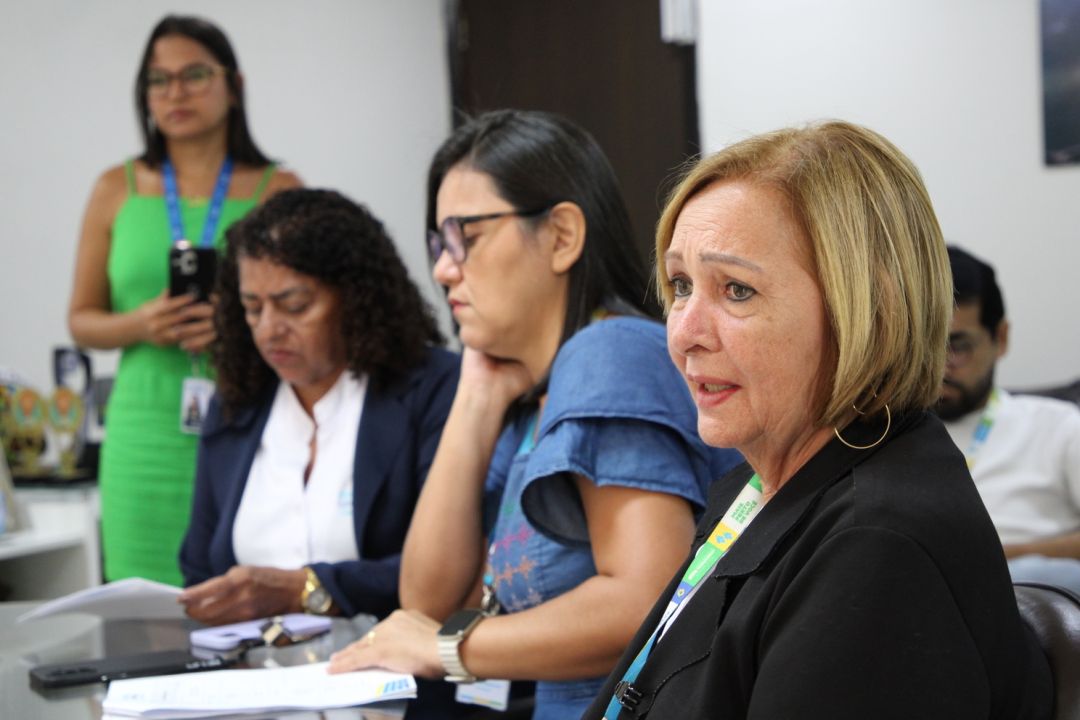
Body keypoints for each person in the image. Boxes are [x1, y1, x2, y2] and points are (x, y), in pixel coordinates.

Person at [583, 121, 1053, 719]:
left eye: (736, 291)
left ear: (867, 312)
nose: (684, 332)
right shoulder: (762, 487)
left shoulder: (876, 547)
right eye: (680, 284)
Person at [328, 110, 741, 719]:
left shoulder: (610, 353)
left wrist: (451, 649)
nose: (444, 267)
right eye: (438, 244)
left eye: (466, 235)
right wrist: (475, 398)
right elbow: (429, 602)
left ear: (561, 236)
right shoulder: (532, 391)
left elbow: (643, 601)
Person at [68, 15, 300, 584]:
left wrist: (239, 328)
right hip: (141, 434)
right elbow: (82, 320)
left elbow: (308, 313)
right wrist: (142, 324)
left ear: (234, 85)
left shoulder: (280, 189)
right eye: (158, 79)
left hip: (250, 419)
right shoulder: (114, 188)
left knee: (244, 603)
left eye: (195, 74)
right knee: (142, 609)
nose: (175, 92)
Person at [177, 189, 458, 624]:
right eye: (252, 309)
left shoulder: (431, 389)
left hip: (391, 673)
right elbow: (199, 567)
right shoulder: (237, 402)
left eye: (294, 306)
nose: (269, 330)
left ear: (354, 296)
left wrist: (305, 589)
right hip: (250, 675)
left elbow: (452, 569)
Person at [938, 245, 1080, 594]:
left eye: (957, 347)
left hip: (1026, 592)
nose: (939, 367)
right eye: (927, 346)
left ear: (1000, 339)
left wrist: (1005, 556)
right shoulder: (880, 435)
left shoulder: (1058, 427)